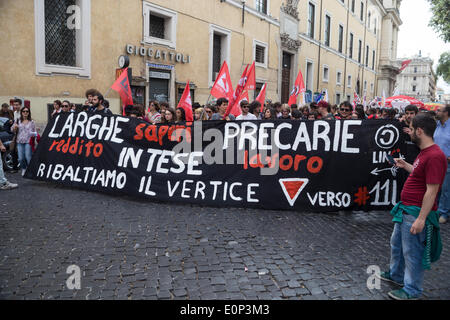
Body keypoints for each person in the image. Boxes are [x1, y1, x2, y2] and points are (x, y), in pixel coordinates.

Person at [378, 114, 447, 300]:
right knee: (397, 245)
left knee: (412, 252)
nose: (408, 132)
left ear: (419, 130)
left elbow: (432, 191)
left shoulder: (434, 156)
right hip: (407, 209)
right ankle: (396, 275)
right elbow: (419, 174)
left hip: (415, 212)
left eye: (411, 128)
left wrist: (421, 219)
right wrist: (405, 165)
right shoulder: (425, 152)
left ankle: (412, 290)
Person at [434, 105, 450, 223]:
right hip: (436, 163)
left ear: (446, 113)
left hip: (447, 163)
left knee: (446, 190)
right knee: (437, 188)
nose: (436, 112)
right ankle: (438, 210)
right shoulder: (437, 125)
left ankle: (444, 213)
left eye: (438, 110)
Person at [12, 106, 37, 176]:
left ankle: (31, 170)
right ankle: (24, 168)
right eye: (24, 111)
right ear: (21, 112)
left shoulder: (32, 122)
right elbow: (12, 130)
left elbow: (35, 132)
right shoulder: (18, 120)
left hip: (28, 142)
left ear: (29, 113)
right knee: (20, 158)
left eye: (27, 111)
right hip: (19, 141)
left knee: (28, 157)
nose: (25, 113)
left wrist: (34, 134)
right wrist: (14, 128)